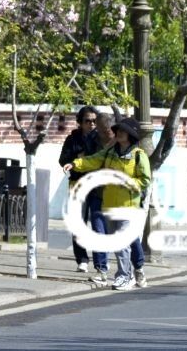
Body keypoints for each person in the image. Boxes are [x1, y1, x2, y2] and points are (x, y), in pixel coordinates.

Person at [66, 115, 151, 291]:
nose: (118, 133)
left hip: (128, 206)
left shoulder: (138, 155)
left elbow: (145, 180)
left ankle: (124, 276)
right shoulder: (110, 153)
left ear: (130, 135)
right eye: (118, 130)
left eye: (123, 131)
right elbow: (93, 160)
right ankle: (133, 272)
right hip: (109, 205)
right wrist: (75, 164)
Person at [57, 106, 106, 275]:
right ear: (80, 122)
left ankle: (100, 262)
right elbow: (62, 160)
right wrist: (77, 157)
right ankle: (82, 259)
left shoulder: (100, 138)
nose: (91, 124)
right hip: (77, 183)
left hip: (96, 184)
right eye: (87, 121)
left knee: (98, 224)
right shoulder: (72, 139)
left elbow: (103, 158)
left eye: (94, 121)